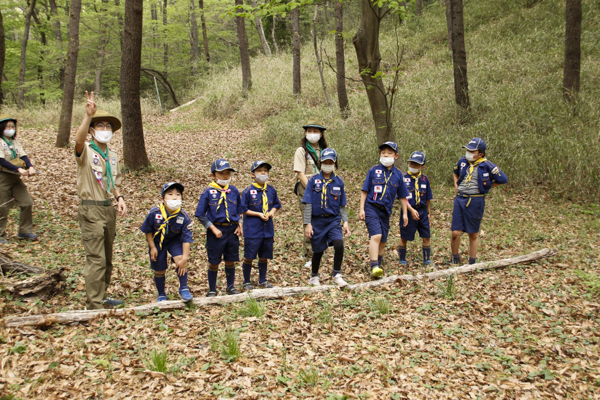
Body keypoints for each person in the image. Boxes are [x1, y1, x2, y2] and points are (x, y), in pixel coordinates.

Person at [74, 91, 127, 310]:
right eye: (100, 126)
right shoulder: (86, 150)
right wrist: (87, 116)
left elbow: (112, 182)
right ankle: (93, 304)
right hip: (91, 209)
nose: (105, 130)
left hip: (108, 209)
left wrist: (119, 198)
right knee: (95, 258)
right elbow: (77, 141)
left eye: (108, 127)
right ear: (93, 130)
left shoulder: (112, 155)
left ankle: (102, 295)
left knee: (106, 257)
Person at [450, 138, 508, 265]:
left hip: (476, 200)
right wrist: (456, 185)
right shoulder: (462, 161)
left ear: (480, 153)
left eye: (472, 151)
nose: (469, 153)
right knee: (455, 232)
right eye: (468, 150)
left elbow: (502, 179)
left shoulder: (487, 165)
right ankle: (454, 258)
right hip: (460, 199)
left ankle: (472, 261)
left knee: (473, 232)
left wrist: (487, 187)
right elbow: (455, 172)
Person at [359, 141, 409, 278]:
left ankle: (378, 266)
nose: (386, 155)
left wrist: (405, 213)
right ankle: (374, 266)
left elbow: (403, 196)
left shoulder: (398, 175)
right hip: (371, 207)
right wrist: (361, 208)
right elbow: (364, 190)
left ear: (396, 156)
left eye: (389, 153)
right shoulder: (373, 170)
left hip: (386, 211)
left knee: (383, 241)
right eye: (383, 153)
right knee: (376, 236)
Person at [195, 159, 243, 297]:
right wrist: (213, 228)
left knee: (230, 259)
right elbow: (200, 214)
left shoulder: (233, 190)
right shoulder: (208, 192)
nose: (225, 176)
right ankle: (212, 289)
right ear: (213, 175)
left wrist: (240, 224)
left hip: (232, 230)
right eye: (221, 174)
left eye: (227, 173)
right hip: (216, 231)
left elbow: (238, 210)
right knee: (214, 261)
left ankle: (230, 287)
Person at [303, 149, 351, 287]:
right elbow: (308, 203)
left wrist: (345, 221)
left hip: (333, 220)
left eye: (331, 162)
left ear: (335, 164)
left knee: (339, 244)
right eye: (325, 162)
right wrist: (308, 224)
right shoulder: (313, 181)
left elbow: (342, 205)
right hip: (317, 221)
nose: (328, 164)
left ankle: (336, 274)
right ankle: (314, 276)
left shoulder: (338, 182)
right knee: (318, 250)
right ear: (320, 163)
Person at [140, 182, 194, 302]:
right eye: (170, 194)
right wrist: (152, 247)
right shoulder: (155, 213)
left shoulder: (183, 216)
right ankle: (161, 294)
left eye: (178, 194)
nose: (175, 197)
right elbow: (147, 230)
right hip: (158, 241)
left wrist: (185, 258)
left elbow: (187, 239)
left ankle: (184, 288)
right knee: (159, 268)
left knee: (180, 260)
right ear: (163, 199)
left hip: (174, 240)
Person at [239, 161, 281, 290]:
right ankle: (246, 281)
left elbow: (276, 204)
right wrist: (258, 214)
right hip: (252, 229)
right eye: (259, 171)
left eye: (265, 171)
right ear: (252, 174)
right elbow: (243, 209)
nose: (263, 173)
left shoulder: (271, 189)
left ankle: (262, 280)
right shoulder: (247, 191)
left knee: (264, 255)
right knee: (249, 255)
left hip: (267, 229)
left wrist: (272, 212)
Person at [293, 119, 328, 269]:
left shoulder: (325, 151)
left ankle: (307, 251)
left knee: (320, 219)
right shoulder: (302, 151)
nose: (312, 134)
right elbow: (300, 174)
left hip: (323, 189)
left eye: (315, 131)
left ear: (321, 134)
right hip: (307, 188)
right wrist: (313, 190)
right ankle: (311, 255)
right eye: (309, 131)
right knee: (309, 220)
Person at [0, 115, 39, 243]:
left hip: (15, 179)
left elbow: (23, 156)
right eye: (8, 126)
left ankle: (25, 231)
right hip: (3, 177)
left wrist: (30, 167)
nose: (10, 129)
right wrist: (18, 169)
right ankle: (1, 235)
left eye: (12, 126)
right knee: (2, 207)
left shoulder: (14, 142)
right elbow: (1, 161)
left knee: (26, 202)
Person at [399, 151, 433, 267]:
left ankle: (427, 260)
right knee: (405, 236)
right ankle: (402, 259)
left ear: (422, 166)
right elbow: (402, 198)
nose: (413, 166)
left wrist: (429, 213)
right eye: (411, 163)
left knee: (426, 235)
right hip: (408, 211)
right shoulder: (403, 179)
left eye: (416, 164)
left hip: (422, 211)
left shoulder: (425, 179)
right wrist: (410, 210)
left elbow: (428, 198)